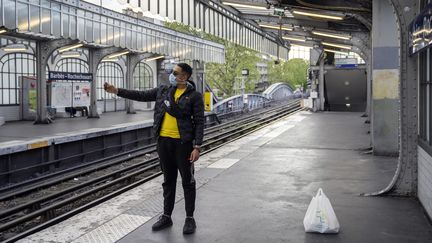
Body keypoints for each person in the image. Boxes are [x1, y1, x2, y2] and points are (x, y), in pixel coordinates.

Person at [104, 63, 204, 234]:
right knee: (168, 181)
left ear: (184, 77)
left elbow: (200, 122)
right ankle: (166, 216)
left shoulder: (194, 96)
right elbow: (141, 95)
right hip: (163, 143)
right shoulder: (163, 91)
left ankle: (189, 218)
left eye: (175, 73)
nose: (171, 75)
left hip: (183, 145)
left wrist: (197, 146)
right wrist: (117, 90)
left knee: (188, 181)